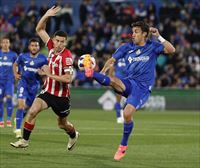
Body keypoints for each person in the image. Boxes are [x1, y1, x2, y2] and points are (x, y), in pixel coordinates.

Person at [83, 21, 175, 160]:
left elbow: (171, 50)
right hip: (130, 82)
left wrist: (159, 36)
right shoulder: (126, 47)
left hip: (142, 89)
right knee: (113, 79)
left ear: (145, 34)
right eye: (133, 32)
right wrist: (102, 72)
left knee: (127, 114)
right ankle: (91, 73)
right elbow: (111, 60)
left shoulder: (153, 46)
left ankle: (123, 145)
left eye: (136, 32)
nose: (133, 35)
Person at [10, 6, 79, 150]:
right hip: (47, 91)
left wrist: (48, 74)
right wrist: (46, 15)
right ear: (53, 40)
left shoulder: (66, 57)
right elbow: (39, 29)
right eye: (57, 41)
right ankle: (24, 140)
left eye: (62, 42)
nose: (59, 44)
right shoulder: (51, 47)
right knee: (32, 111)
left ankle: (73, 135)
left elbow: (68, 79)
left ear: (65, 42)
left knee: (62, 124)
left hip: (61, 97)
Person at [13, 38, 48, 139]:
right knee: (21, 105)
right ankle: (18, 130)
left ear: (38, 47)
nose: (34, 47)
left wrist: (43, 73)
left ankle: (18, 118)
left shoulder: (43, 59)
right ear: (29, 47)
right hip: (23, 83)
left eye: (36, 45)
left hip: (34, 86)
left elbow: (47, 72)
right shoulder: (22, 56)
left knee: (27, 108)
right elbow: (15, 64)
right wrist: (15, 73)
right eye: (32, 45)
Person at [0, 36, 17, 127]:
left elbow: (17, 66)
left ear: (9, 44)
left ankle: (9, 119)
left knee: (9, 99)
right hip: (0, 82)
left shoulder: (13, 55)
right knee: (0, 100)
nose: (5, 44)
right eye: (4, 42)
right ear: (1, 44)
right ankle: (1, 120)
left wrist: (16, 74)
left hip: (9, 81)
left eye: (7, 42)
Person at [109, 58, 127, 124]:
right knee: (118, 99)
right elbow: (112, 67)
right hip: (118, 80)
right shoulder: (118, 56)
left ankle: (122, 113)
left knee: (130, 99)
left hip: (127, 80)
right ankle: (119, 116)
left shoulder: (130, 55)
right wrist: (110, 78)